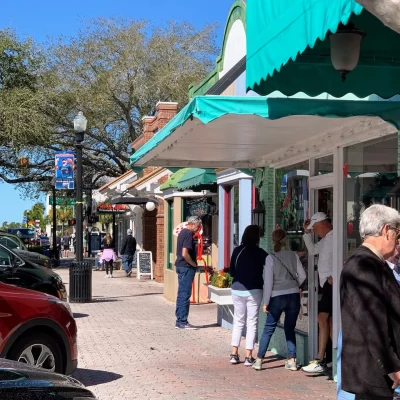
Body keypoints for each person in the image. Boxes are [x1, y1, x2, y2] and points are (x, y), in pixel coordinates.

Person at [341, 204, 400, 400]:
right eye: (397, 233)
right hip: (374, 375)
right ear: (386, 231)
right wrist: (391, 366)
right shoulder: (363, 264)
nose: (397, 240)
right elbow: (371, 322)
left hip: (377, 375)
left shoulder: (374, 263)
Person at [253, 228, 306, 371]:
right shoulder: (293, 255)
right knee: (290, 328)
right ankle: (292, 360)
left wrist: (266, 302)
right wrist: (294, 285)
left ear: (272, 240)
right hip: (293, 295)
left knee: (269, 328)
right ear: (285, 240)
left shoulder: (270, 258)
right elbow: (302, 276)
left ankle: (259, 360)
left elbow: (268, 282)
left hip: (277, 296)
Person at [229, 225, 267, 366]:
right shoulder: (260, 252)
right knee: (252, 322)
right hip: (255, 289)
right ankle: (248, 356)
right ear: (257, 237)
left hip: (237, 289)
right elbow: (271, 267)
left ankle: (234, 353)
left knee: (238, 321)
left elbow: (231, 272)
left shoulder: (238, 250)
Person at [301, 212, 333, 374]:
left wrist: (334, 275)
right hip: (325, 284)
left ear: (322, 224)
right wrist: (306, 233)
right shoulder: (326, 239)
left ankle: (322, 359)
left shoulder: (336, 237)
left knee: (323, 318)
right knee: (329, 321)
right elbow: (313, 250)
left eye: (315, 229)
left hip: (331, 284)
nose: (315, 231)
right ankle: (332, 358)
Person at [175, 216, 202, 330]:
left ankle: (179, 320)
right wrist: (193, 264)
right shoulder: (188, 234)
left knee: (181, 293)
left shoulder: (182, 232)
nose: (199, 228)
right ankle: (182, 321)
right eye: (198, 226)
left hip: (181, 266)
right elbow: (185, 253)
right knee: (185, 294)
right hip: (186, 267)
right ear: (193, 224)